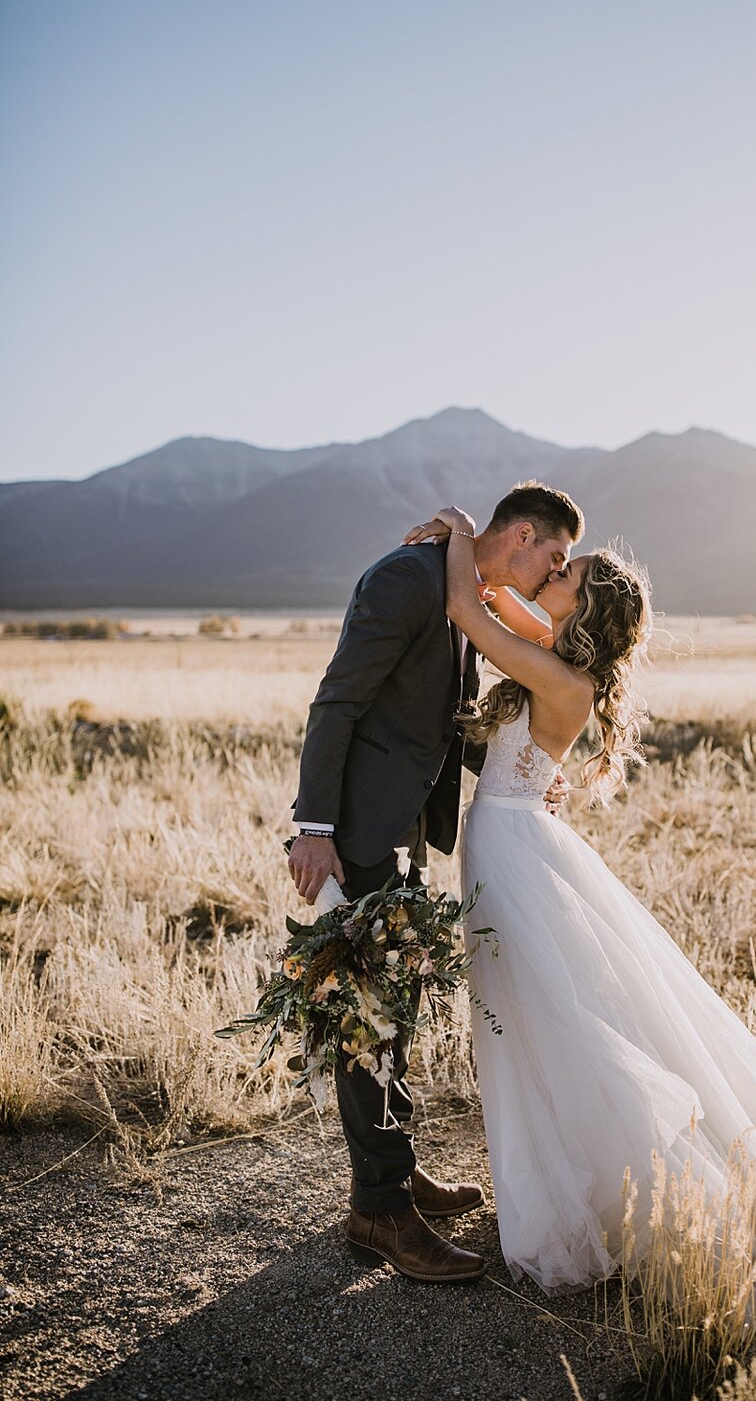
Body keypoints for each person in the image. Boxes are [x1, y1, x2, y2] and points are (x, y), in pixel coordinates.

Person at [401, 504, 756, 1339]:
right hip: (515, 841)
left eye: (565, 574)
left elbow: (468, 609)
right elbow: (496, 607)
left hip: (513, 852)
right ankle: (576, 1188)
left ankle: (647, 1210)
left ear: (586, 605)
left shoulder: (560, 679)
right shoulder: (559, 659)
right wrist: (489, 567)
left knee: (560, 1026)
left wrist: (461, 530)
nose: (551, 576)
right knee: (539, 1021)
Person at [287, 481, 584, 1283]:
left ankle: (396, 1166)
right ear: (521, 535)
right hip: (354, 840)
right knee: (366, 1018)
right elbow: (338, 700)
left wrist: (519, 771)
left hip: (410, 837)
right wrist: (314, 829)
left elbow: (434, 726)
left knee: (399, 1007)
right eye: (553, 557)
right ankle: (379, 1209)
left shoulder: (458, 592)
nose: (552, 573)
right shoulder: (408, 579)